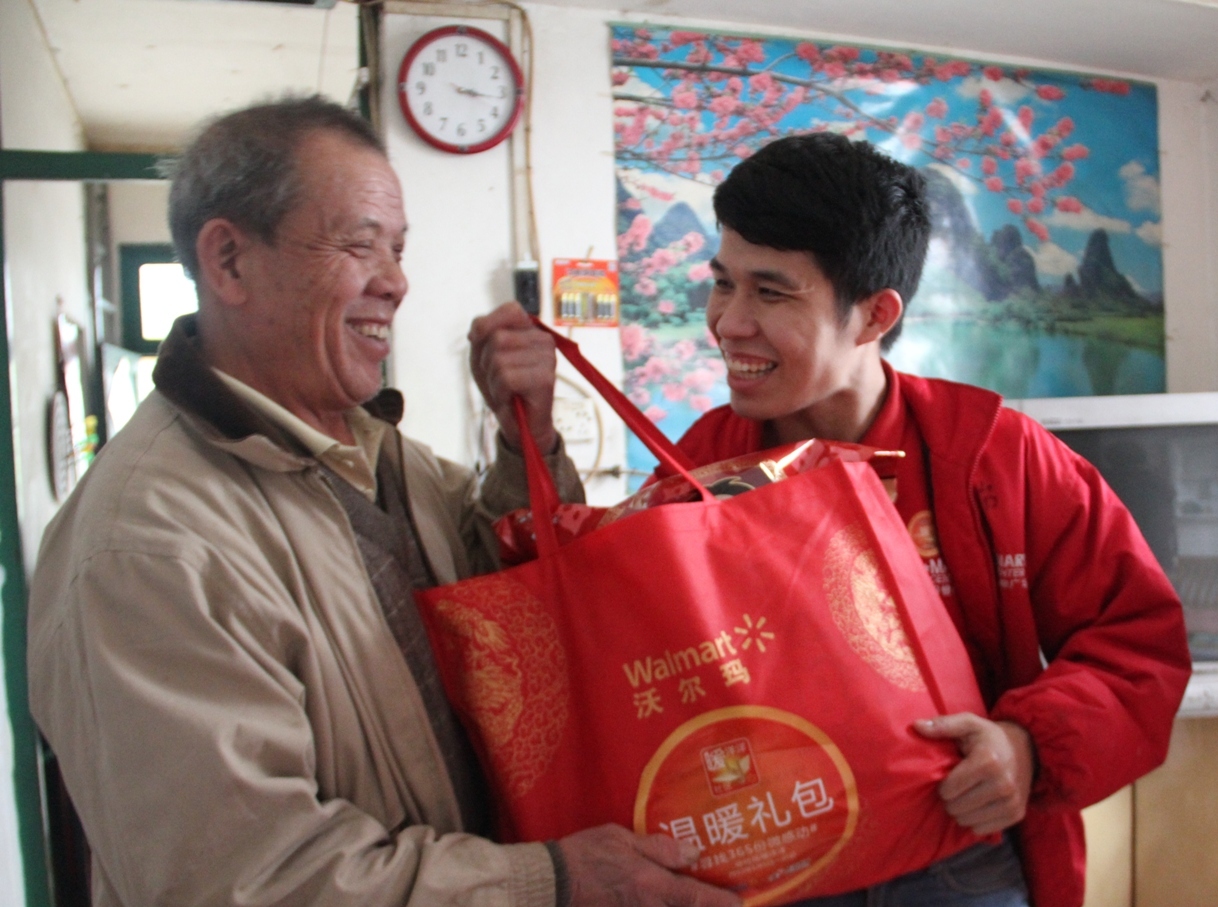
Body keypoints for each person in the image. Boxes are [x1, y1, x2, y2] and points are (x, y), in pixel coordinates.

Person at [26, 96, 741, 907]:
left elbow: (514, 599)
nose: (396, 283)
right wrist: (553, 881)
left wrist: (528, 438)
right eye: (359, 244)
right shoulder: (147, 544)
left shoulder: (375, 452)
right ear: (228, 261)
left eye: (398, 250)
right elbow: (249, 882)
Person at [654, 133, 1191, 907]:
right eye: (721, 282)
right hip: (771, 859)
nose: (728, 322)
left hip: (960, 862)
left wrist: (1027, 746)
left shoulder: (997, 457)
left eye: (770, 293)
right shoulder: (696, 467)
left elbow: (1137, 641)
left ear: (874, 315)